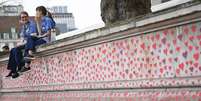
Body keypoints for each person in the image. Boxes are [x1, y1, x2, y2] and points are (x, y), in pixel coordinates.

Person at [6, 11, 37, 78]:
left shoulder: (32, 24)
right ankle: (13, 70)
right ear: (20, 19)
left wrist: (21, 44)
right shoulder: (24, 27)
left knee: (17, 49)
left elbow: (32, 36)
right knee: (13, 50)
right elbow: (22, 38)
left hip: (30, 42)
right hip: (25, 42)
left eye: (25, 17)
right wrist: (19, 43)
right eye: (22, 17)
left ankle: (21, 66)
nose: (24, 18)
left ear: (28, 17)